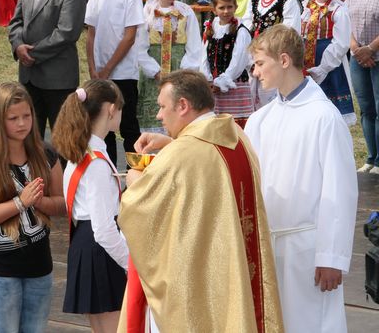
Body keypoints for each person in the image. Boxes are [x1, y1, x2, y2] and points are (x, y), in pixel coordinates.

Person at [118, 70, 283, 333]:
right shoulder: (237, 138)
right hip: (236, 265)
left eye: (162, 107)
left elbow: (142, 209)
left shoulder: (182, 155)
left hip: (201, 280)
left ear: (183, 105)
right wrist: (173, 141)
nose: (159, 116)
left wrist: (137, 181)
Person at [246, 25, 358, 333]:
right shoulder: (260, 120)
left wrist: (331, 255)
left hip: (308, 250)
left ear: (284, 60)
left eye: (260, 63)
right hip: (269, 245)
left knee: (311, 324)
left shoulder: (324, 117)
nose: (255, 72)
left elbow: (338, 191)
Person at [0, 82, 64, 333]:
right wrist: (20, 203)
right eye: (13, 118)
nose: (22, 123)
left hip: (39, 267)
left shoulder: (46, 153)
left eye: (26, 116)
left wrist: (41, 202)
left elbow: (63, 203)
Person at [52, 80, 127, 331]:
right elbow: (104, 229)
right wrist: (132, 264)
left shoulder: (81, 153)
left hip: (87, 244)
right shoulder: (96, 162)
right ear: (111, 109)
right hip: (102, 249)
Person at [8, 0, 86, 137]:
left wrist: (32, 54)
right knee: (30, 137)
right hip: (29, 77)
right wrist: (18, 46)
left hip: (57, 77)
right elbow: (16, 21)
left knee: (62, 139)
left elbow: (67, 32)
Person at [86, 0, 144, 165]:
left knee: (129, 126)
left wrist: (108, 68)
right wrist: (93, 67)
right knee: (103, 128)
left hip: (123, 73)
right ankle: (107, 172)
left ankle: (137, 174)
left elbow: (129, 37)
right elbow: (90, 35)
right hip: (100, 73)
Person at [135, 0, 203, 132]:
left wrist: (184, 72)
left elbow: (194, 46)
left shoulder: (185, 12)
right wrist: (155, 71)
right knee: (155, 116)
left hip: (180, 70)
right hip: (153, 75)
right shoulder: (147, 14)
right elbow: (139, 48)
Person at [301, 0, 356, 124]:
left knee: (330, 108)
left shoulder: (338, 10)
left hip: (328, 60)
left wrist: (323, 68)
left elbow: (341, 43)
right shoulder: (306, 6)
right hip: (306, 57)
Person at [200, 0, 254, 127]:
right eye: (222, 7)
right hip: (214, 88)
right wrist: (208, 80)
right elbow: (204, 56)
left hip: (235, 86)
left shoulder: (240, 31)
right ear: (214, 9)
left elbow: (239, 61)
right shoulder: (210, 28)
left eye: (229, 7)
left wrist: (222, 81)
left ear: (235, 7)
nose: (226, 11)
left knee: (235, 128)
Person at [347, 0, 379, 173]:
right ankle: (370, 157)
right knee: (366, 109)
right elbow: (347, 23)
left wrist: (371, 48)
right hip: (358, 58)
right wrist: (357, 49)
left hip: (377, 56)